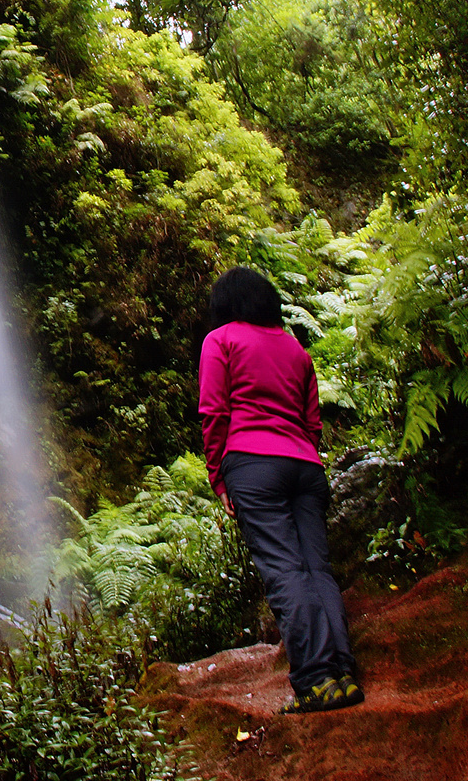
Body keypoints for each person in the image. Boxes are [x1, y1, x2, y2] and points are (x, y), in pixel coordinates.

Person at [199, 266, 363, 713]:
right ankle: (342, 674)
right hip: (306, 466)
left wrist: (219, 476)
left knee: (284, 571)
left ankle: (314, 680)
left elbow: (214, 413)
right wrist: (300, 455)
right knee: (316, 568)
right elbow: (313, 422)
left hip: (252, 465)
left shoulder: (221, 340)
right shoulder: (295, 349)